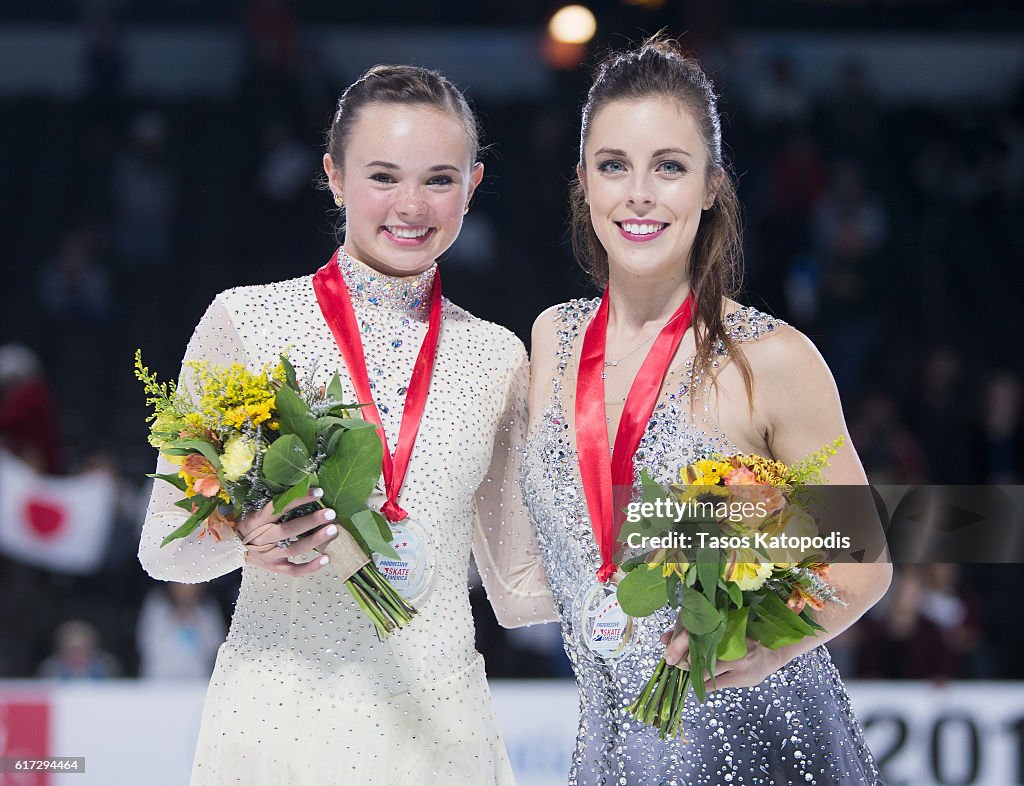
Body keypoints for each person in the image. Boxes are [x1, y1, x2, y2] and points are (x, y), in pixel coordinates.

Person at [139, 64, 556, 785]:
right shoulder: (247, 320)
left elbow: (516, 590)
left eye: (438, 179)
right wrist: (246, 538)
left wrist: (672, 560)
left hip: (441, 732)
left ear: (474, 185)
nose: (411, 205)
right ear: (334, 176)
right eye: (383, 176)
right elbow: (163, 550)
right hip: (279, 723)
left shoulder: (500, 356)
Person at [521, 38, 891, 785]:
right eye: (614, 165)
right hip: (615, 752)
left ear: (711, 185)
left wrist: (769, 645)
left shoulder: (774, 361)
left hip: (768, 753)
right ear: (584, 184)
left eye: (669, 166)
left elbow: (867, 565)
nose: (639, 194)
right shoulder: (553, 339)